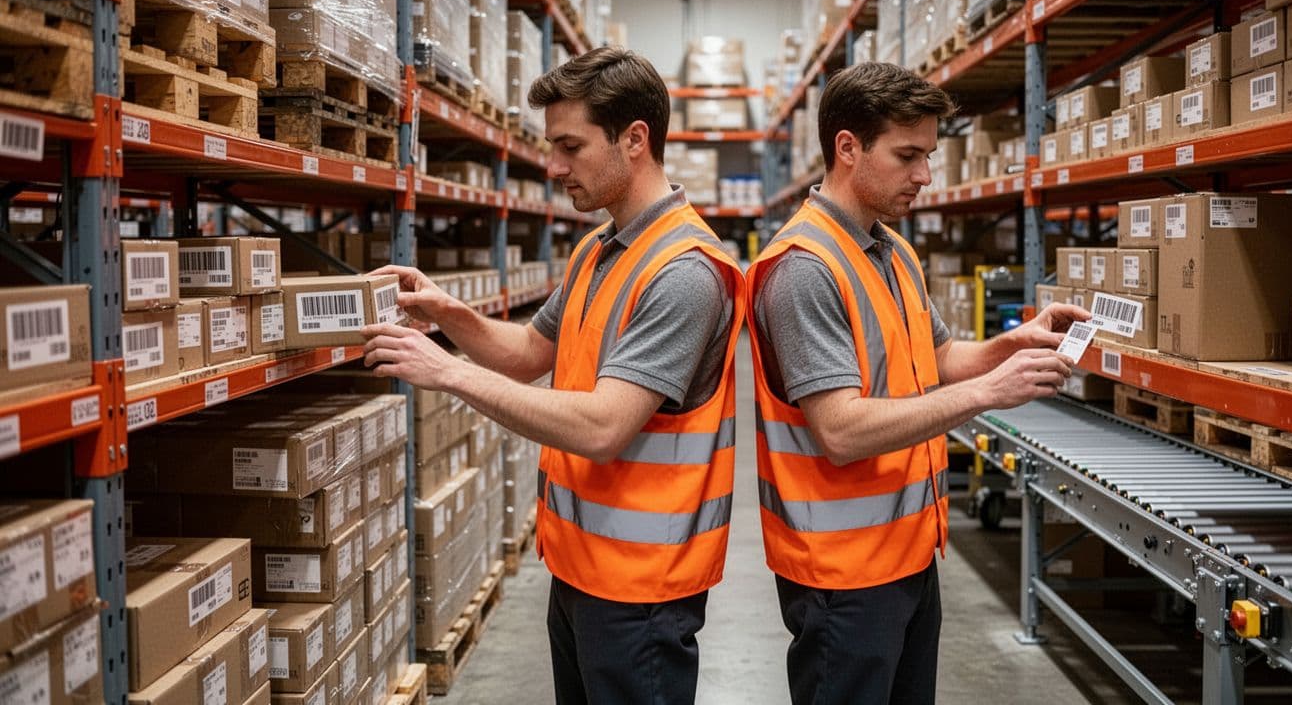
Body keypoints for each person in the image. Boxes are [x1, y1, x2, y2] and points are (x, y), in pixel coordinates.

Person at [360, 46, 746, 705]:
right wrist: (447, 312)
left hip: (641, 587)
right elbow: (530, 352)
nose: (555, 166)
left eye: (570, 146)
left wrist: (449, 374)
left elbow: (603, 428)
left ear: (634, 140)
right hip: (576, 568)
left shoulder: (684, 269)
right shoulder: (600, 250)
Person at [747, 61, 1088, 705]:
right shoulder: (802, 269)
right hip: (841, 577)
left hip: (909, 554)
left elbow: (936, 357)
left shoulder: (892, 251)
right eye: (908, 156)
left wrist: (1010, 343)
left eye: (929, 155)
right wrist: (986, 394)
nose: (926, 175)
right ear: (847, 147)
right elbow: (840, 431)